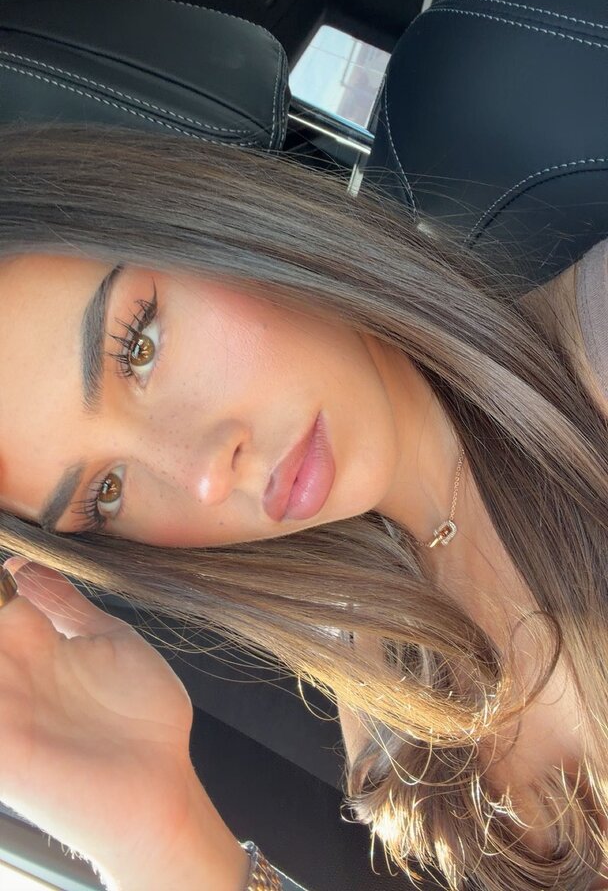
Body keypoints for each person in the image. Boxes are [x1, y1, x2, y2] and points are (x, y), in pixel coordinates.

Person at [0, 121, 606, 891]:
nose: (203, 477)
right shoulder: (386, 697)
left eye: (139, 347)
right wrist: (164, 839)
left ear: (212, 220)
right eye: (107, 491)